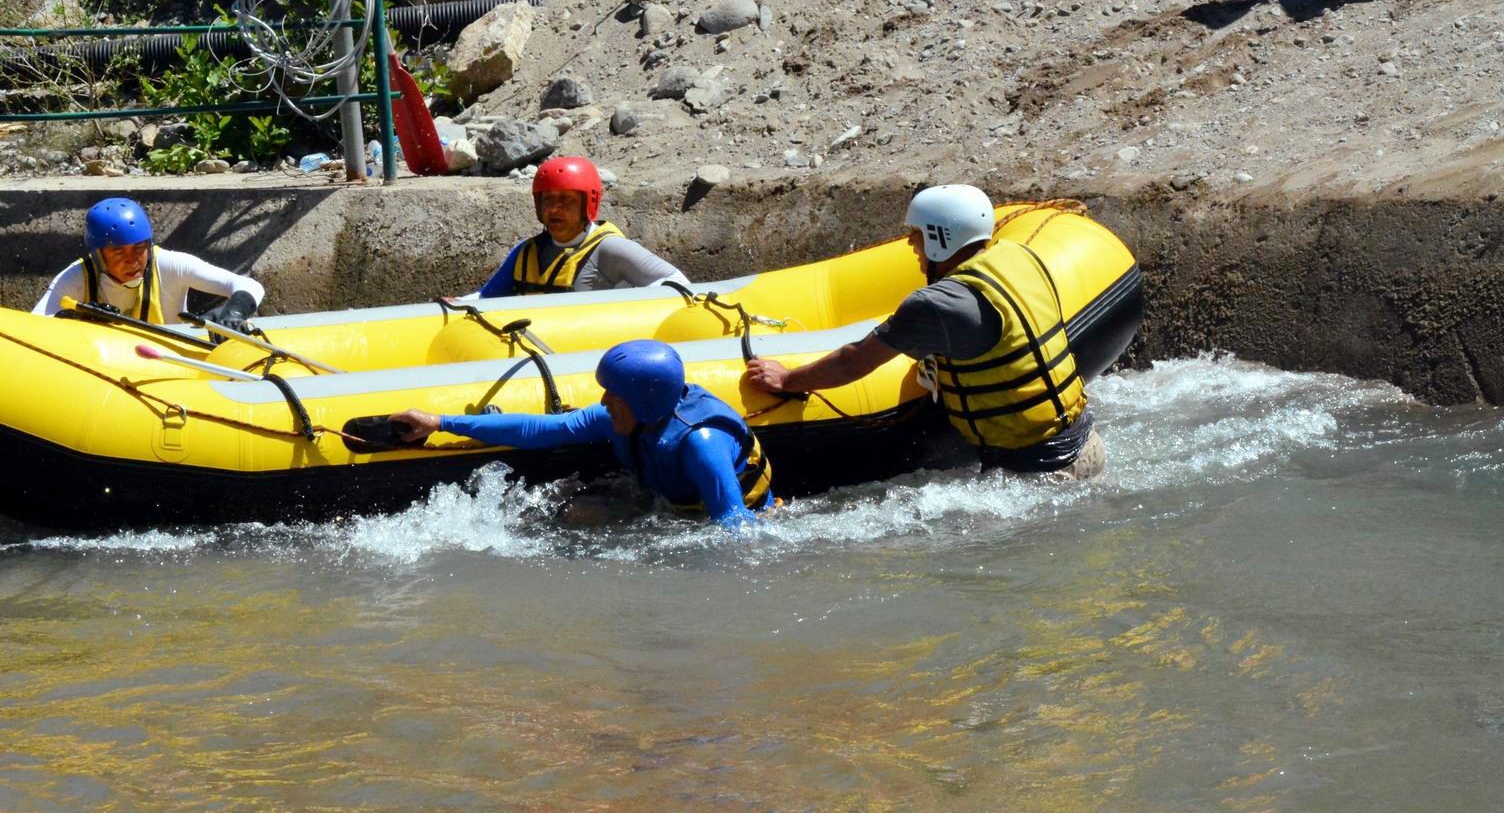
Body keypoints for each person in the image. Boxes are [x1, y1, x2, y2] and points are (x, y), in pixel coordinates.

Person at [744, 186, 1107, 481]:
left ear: (940, 238)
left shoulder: (935, 305)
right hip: (1088, 445)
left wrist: (788, 379)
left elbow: (854, 361)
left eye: (916, 235)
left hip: (1037, 474)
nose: (911, 246)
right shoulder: (1020, 257)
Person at [388, 339, 775, 527]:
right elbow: (540, 429)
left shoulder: (701, 444)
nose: (604, 399)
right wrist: (440, 421)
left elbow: (735, 528)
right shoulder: (621, 415)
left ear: (644, 403)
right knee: (570, 516)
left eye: (614, 393)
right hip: (667, 502)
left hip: (717, 516)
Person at [32, 196, 264, 331]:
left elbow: (250, 286)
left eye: (139, 249)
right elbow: (33, 326)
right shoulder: (77, 277)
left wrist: (234, 311)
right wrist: (78, 318)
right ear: (99, 256)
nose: (132, 260)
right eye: (118, 252)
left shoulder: (171, 265)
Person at [471, 156, 688, 298]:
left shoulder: (610, 249)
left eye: (566, 200)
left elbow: (677, 282)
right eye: (548, 200)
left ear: (589, 203)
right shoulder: (525, 252)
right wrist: (454, 305)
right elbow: (485, 298)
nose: (555, 209)